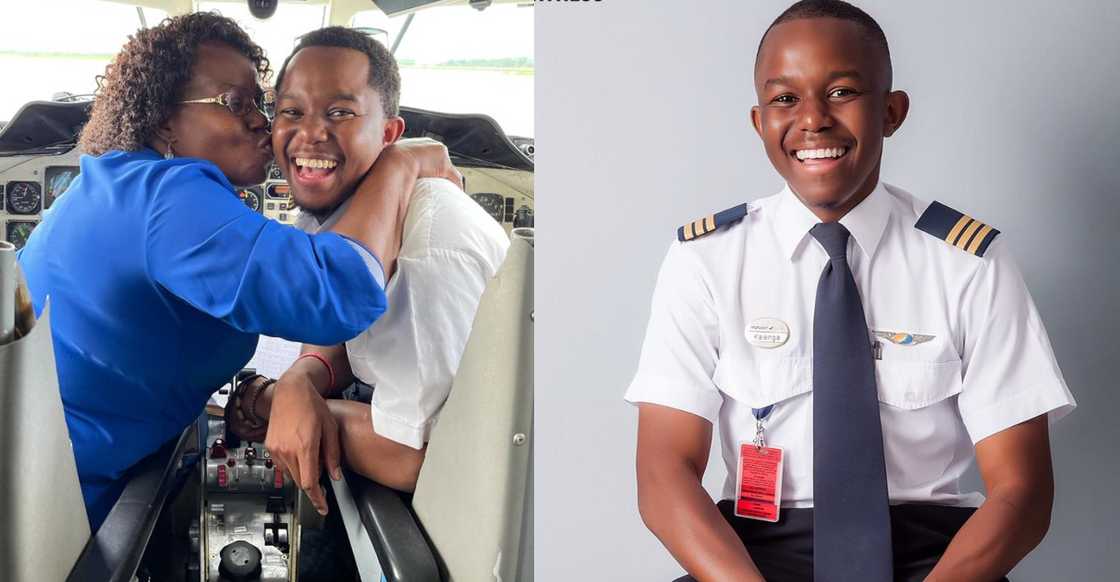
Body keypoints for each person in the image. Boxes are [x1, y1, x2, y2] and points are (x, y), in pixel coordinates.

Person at [625, 2, 1075, 581]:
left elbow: (1023, 491)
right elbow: (664, 475)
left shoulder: (969, 263)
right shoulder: (705, 261)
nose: (813, 119)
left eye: (841, 92)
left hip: (936, 561)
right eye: (785, 99)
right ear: (759, 121)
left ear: (891, 111)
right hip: (752, 560)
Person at [16, 12, 458, 531]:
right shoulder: (168, 201)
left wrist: (287, 385)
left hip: (56, 464)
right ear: (162, 121)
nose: (261, 123)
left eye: (261, 104)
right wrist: (398, 166)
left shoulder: (121, 185)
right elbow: (340, 292)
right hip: (57, 501)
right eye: (234, 103)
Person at [224, 27, 509, 516]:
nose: (311, 132)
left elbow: (417, 456)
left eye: (340, 112)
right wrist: (299, 380)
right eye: (291, 111)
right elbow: (341, 328)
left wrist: (267, 402)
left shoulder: (427, 254)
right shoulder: (340, 210)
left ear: (389, 134)